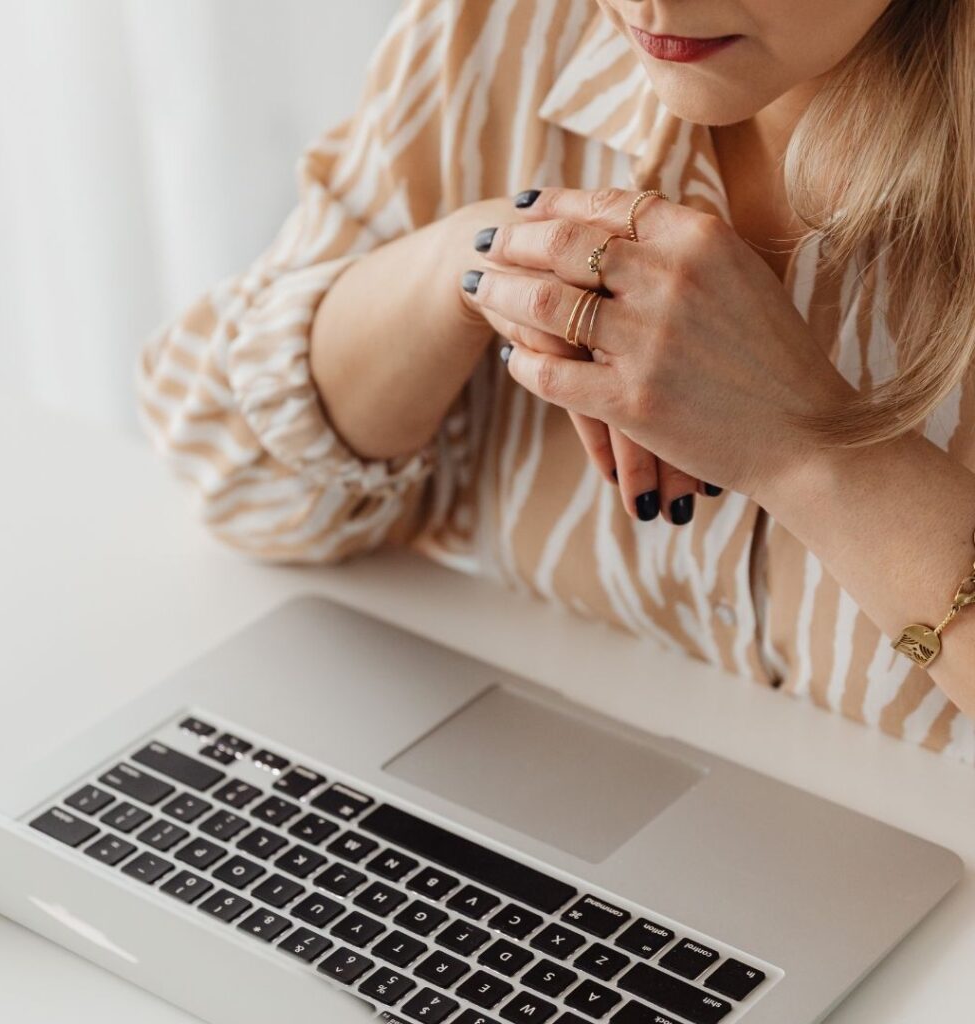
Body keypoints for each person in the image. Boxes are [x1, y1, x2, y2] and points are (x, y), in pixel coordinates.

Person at [138, 0, 975, 765]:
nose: (655, 5)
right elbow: (230, 473)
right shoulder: (504, 33)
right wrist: (475, 263)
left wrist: (805, 454)